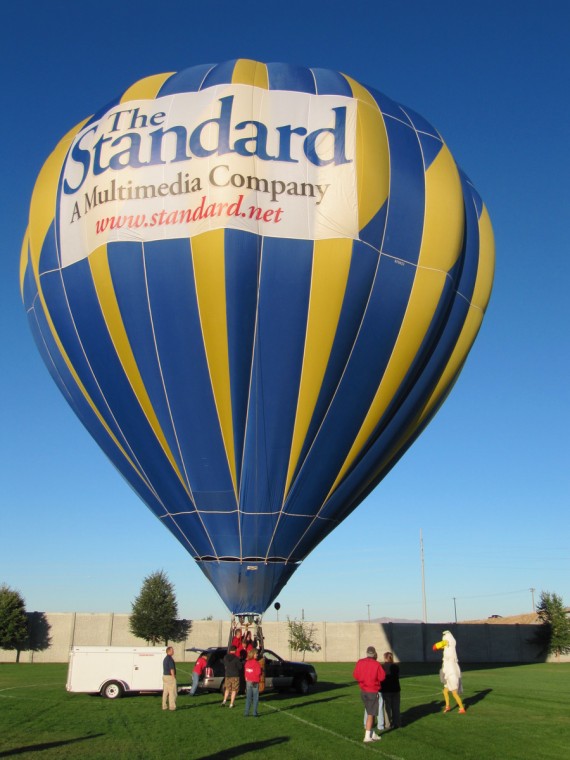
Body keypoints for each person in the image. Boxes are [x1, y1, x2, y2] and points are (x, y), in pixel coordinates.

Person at [353, 645, 386, 742]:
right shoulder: (376, 664)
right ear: (374, 654)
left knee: (369, 711)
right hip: (372, 690)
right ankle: (367, 736)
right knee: (371, 714)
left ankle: (372, 733)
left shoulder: (360, 662)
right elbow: (382, 677)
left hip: (363, 690)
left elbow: (355, 675)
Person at [433, 630, 466, 714]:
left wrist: (441, 644)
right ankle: (447, 706)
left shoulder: (446, 642)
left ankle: (462, 708)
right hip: (450, 672)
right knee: (445, 691)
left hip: (451, 673)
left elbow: (434, 647)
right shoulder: (452, 645)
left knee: (454, 693)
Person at [382, 651, 401, 728]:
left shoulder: (383, 666)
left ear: (385, 658)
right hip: (396, 688)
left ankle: (388, 724)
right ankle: (397, 723)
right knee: (396, 707)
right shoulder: (396, 666)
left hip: (386, 689)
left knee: (387, 708)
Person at [243, 648, 262, 717]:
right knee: (255, 697)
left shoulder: (247, 663)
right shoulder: (256, 663)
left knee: (248, 697)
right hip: (255, 681)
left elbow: (245, 672)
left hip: (248, 681)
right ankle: (254, 712)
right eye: (256, 654)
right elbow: (258, 673)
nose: (257, 655)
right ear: (253, 654)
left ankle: (246, 712)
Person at [162, 646, 177, 711]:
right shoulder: (170, 659)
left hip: (164, 676)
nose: (173, 651)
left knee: (165, 692)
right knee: (172, 692)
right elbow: (171, 669)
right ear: (169, 651)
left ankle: (164, 706)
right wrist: (173, 677)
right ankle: (172, 706)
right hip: (169, 676)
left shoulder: (165, 659)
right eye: (172, 650)